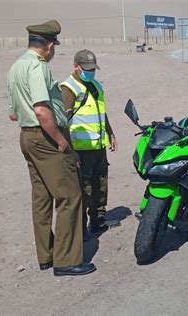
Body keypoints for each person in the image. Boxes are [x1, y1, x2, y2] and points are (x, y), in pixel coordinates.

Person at [6, 20, 96, 276]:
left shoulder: (16, 67)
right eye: (53, 45)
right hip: (46, 136)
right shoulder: (37, 67)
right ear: (48, 45)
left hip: (27, 136)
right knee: (70, 196)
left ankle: (46, 254)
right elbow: (41, 110)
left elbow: (13, 114)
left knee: (42, 198)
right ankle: (66, 260)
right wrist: (60, 140)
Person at [61, 49, 118, 235]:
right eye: (87, 68)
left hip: (98, 146)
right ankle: (82, 229)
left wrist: (110, 133)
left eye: (93, 68)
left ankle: (97, 220)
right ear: (76, 67)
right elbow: (63, 122)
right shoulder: (69, 88)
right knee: (84, 189)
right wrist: (70, 150)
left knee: (100, 183)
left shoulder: (96, 85)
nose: (90, 72)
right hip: (81, 149)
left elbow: (101, 112)